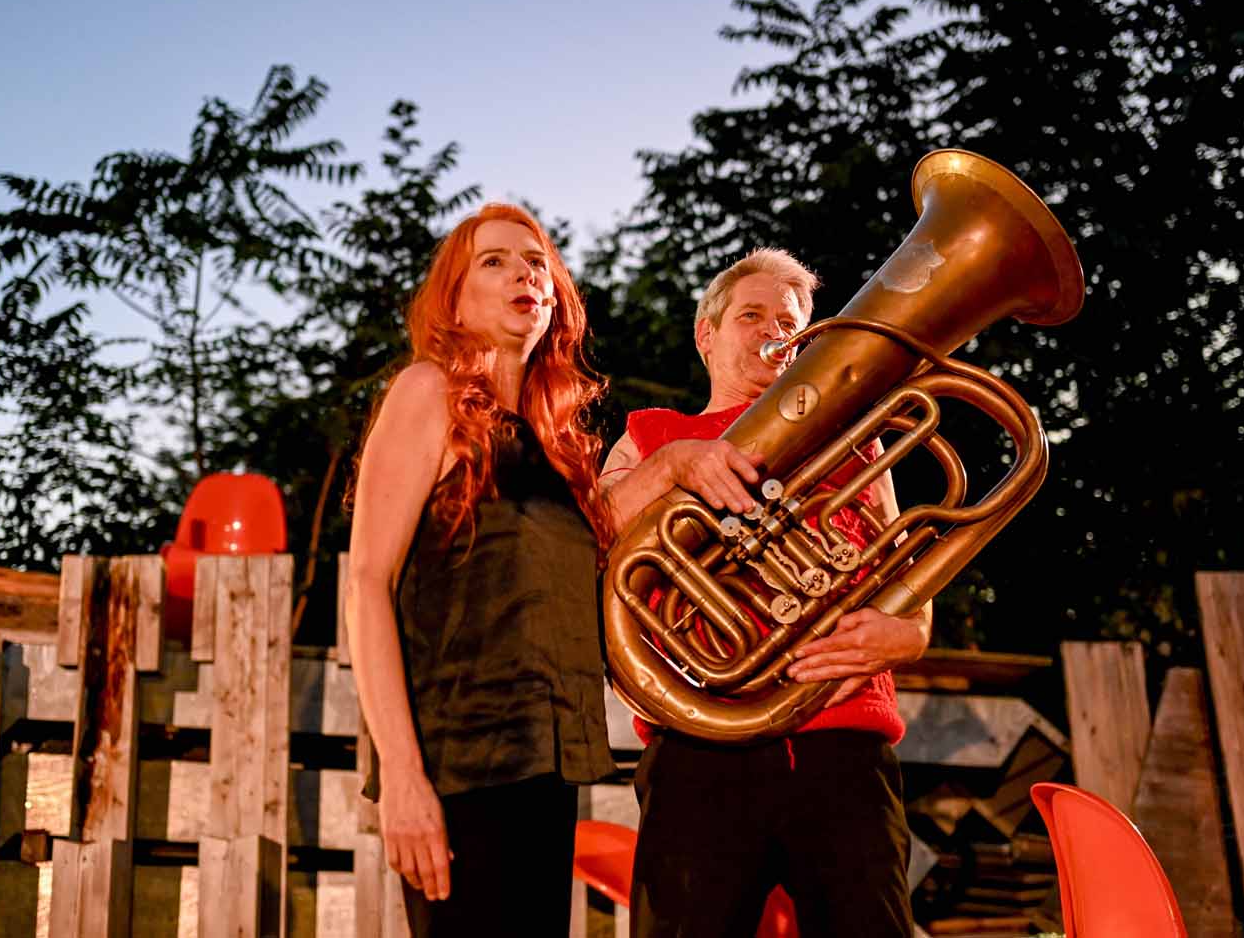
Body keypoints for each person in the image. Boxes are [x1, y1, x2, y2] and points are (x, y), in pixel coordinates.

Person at [601, 248, 930, 938]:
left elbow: (907, 566)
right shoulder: (651, 436)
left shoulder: (856, 436)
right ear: (707, 334)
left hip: (842, 738)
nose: (773, 332)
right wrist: (672, 465)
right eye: (751, 316)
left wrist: (913, 631)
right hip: (700, 741)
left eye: (789, 321)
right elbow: (592, 537)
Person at [345, 203, 616, 937]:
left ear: (554, 298)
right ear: (455, 301)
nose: (523, 273)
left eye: (536, 262)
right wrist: (404, 778)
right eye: (493, 261)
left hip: (546, 773)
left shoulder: (557, 448)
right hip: (458, 770)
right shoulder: (426, 391)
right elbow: (366, 583)